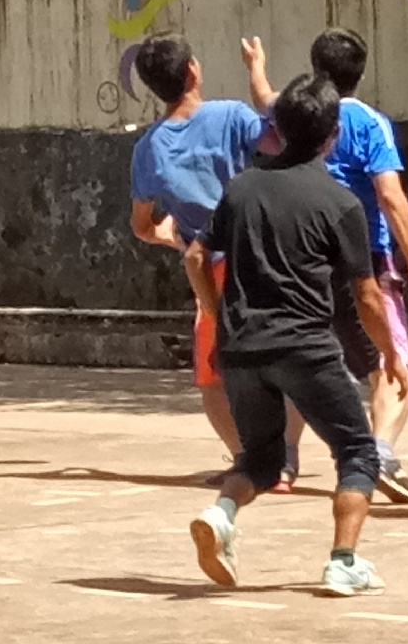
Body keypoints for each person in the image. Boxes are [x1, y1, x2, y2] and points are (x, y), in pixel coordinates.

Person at [184, 74, 408, 596]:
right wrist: (390, 354)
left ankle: (221, 515)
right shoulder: (340, 203)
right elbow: (367, 295)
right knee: (358, 452)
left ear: (278, 129)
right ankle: (343, 561)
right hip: (306, 346)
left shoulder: (241, 188)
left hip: (241, 349)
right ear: (333, 135)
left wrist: (216, 314)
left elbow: (195, 257)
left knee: (262, 460)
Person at [242, 29, 408, 505]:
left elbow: (264, 98)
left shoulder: (296, 112)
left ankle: (284, 460)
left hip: (301, 257)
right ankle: (380, 452)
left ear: (314, 69)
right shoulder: (369, 123)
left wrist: (256, 65)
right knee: (390, 362)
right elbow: (389, 195)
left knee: (302, 357)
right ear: (362, 73)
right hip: (361, 256)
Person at [129, 37, 303, 487]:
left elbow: (142, 225)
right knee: (292, 357)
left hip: (207, 269)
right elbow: (281, 141)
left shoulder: (149, 148)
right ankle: (284, 456)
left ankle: (250, 457)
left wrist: (168, 233)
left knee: (212, 374)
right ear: (193, 70)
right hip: (261, 257)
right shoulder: (231, 116)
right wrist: (257, 70)